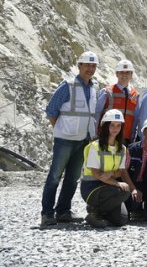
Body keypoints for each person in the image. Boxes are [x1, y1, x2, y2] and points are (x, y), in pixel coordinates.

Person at [41, 51, 100, 227]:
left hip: (84, 140)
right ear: (79, 65)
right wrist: (61, 128)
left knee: (72, 178)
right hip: (65, 140)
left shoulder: (94, 87)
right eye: (87, 65)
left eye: (93, 65)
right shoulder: (68, 85)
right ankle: (47, 213)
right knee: (54, 177)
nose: (90, 68)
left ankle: (63, 211)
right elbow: (51, 110)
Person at [79, 109, 136, 227]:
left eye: (118, 125)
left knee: (121, 220)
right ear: (105, 126)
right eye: (112, 125)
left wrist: (111, 174)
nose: (115, 128)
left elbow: (120, 172)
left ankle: (101, 212)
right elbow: (96, 174)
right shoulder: (95, 147)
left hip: (108, 187)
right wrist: (117, 183)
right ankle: (95, 212)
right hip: (91, 188)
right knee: (124, 190)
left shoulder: (122, 149)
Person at [96, 59, 139, 142]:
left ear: (131, 75)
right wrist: (95, 133)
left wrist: (132, 136)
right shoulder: (107, 91)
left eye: (127, 72)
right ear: (117, 74)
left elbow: (135, 119)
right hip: (107, 136)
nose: (124, 75)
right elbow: (97, 113)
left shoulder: (135, 95)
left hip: (125, 138)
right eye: (121, 72)